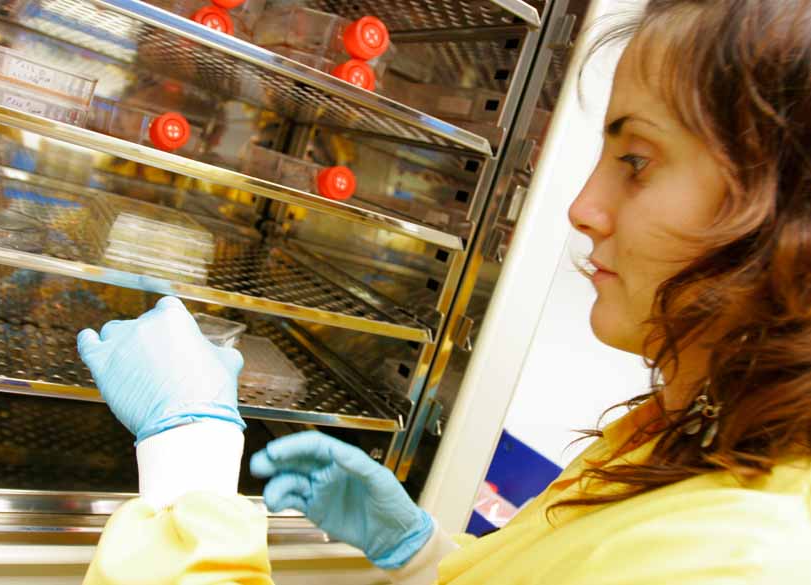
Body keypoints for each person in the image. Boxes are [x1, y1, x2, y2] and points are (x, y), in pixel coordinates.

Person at [76, 1, 811, 583]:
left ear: (790, 221)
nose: (581, 207)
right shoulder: (687, 433)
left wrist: (187, 466)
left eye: (636, 160)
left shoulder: (751, 558)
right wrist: (425, 555)